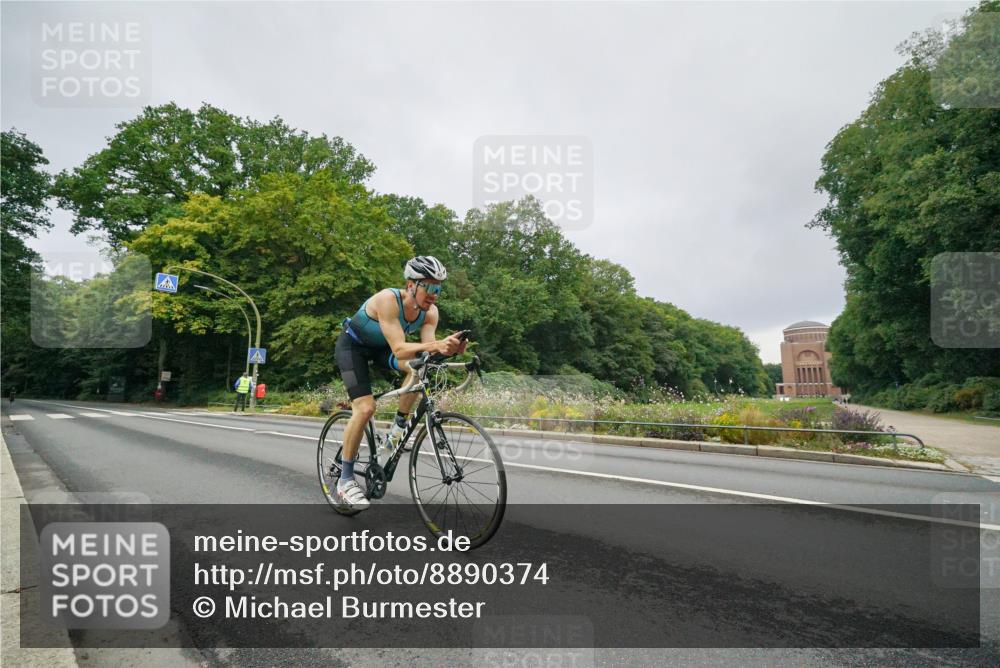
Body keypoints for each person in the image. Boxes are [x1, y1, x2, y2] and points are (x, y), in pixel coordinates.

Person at [333, 256, 466, 511]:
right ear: (411, 285)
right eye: (429, 287)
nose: (434, 295)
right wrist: (436, 345)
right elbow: (399, 347)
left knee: (421, 366)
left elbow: (426, 351)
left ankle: (398, 427)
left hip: (383, 349)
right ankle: (345, 480)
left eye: (438, 289)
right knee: (365, 408)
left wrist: (449, 350)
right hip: (353, 348)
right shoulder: (387, 300)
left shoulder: (430, 313)